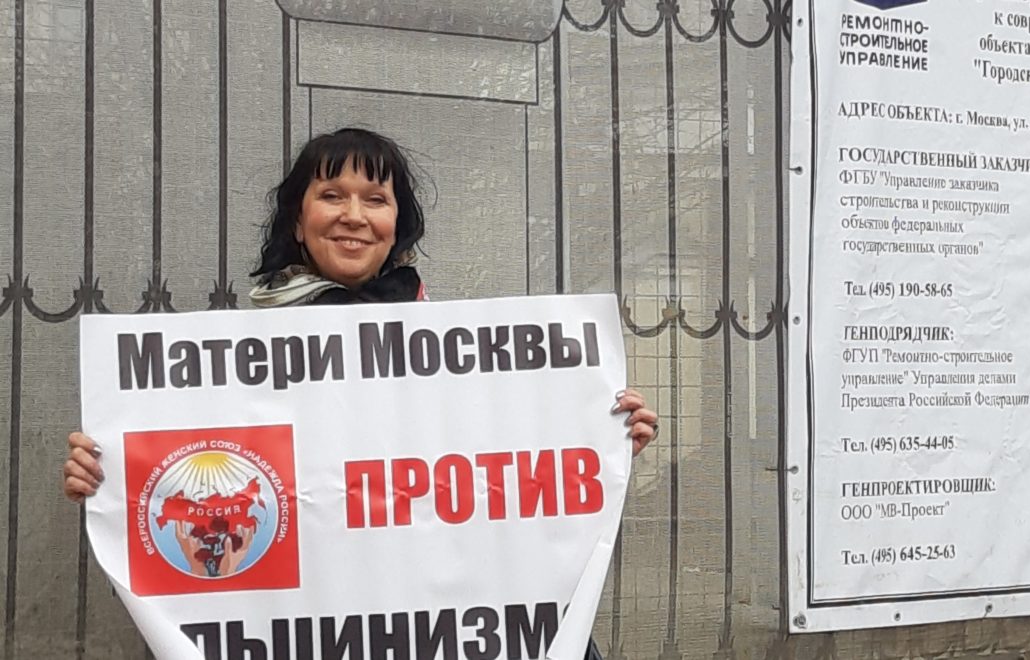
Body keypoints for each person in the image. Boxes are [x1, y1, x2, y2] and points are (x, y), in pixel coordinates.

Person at [62, 127, 658, 658]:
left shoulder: (467, 358)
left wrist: (597, 433)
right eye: (331, 195)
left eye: (375, 199)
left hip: (448, 613)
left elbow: (514, 474)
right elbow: (192, 487)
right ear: (298, 222)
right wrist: (107, 475)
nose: (354, 215)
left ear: (397, 226)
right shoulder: (225, 368)